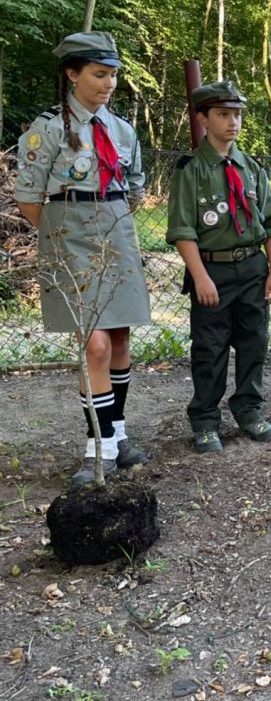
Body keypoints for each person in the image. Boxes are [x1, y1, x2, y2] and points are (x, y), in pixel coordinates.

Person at [14, 31, 151, 491]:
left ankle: (118, 435)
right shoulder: (50, 128)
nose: (109, 83)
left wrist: (112, 224)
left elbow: (134, 188)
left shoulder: (122, 129)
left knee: (120, 339)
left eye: (113, 74)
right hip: (69, 237)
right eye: (99, 74)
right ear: (72, 74)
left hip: (117, 233)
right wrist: (62, 236)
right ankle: (98, 447)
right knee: (93, 345)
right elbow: (29, 197)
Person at [166, 81, 271, 453]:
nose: (233, 122)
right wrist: (200, 276)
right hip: (212, 271)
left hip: (252, 268)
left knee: (254, 343)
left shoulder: (252, 168)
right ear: (203, 119)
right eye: (223, 114)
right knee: (210, 348)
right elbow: (182, 230)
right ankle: (205, 421)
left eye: (237, 114)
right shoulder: (191, 170)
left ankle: (249, 411)